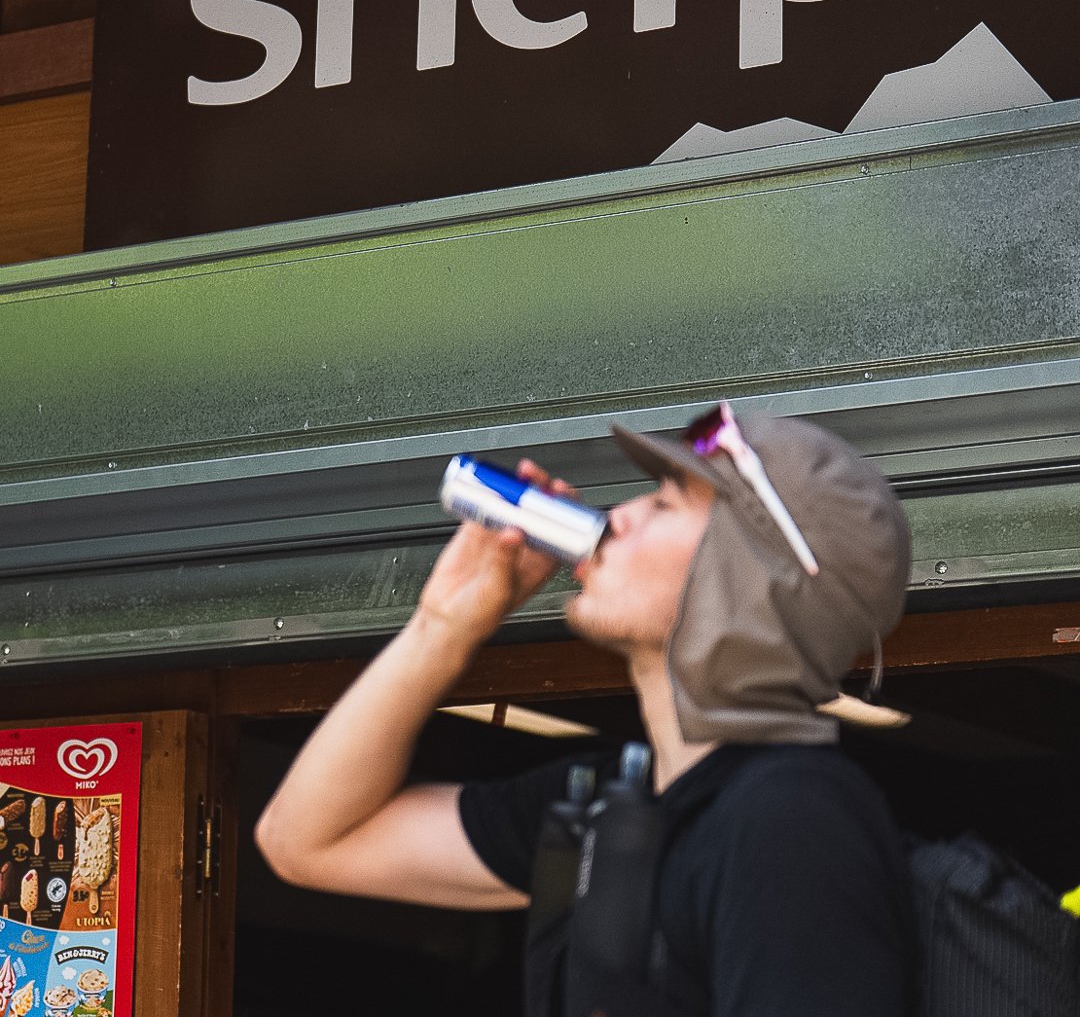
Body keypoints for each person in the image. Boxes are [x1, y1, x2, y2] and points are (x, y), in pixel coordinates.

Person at [256, 403, 917, 1016]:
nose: (619, 515)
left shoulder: (791, 821)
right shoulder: (610, 804)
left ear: (752, 572)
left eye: (662, 505)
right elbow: (306, 842)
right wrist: (443, 625)